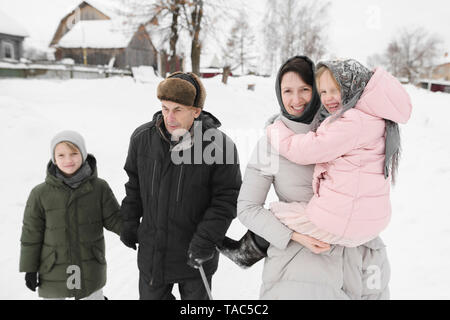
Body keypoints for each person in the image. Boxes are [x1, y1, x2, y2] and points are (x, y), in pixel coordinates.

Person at [221, 56, 392, 299]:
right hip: (299, 263)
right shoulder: (272, 144)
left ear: (317, 91)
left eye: (305, 89)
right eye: (287, 91)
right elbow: (248, 208)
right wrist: (293, 235)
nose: (296, 99)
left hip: (357, 259)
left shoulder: (346, 129)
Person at [120, 72, 242, 300]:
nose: (169, 117)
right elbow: (134, 184)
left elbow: (227, 199)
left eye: (177, 109)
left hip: (196, 255)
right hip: (153, 255)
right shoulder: (142, 138)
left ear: (196, 111)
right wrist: (128, 220)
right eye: (165, 108)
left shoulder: (219, 146)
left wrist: (205, 241)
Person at [266, 59, 412, 247]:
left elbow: (305, 151)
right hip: (368, 222)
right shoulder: (375, 117)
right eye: (323, 92)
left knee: (276, 213)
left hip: (343, 223)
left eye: (335, 90)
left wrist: (275, 129)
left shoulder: (353, 122)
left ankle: (247, 251)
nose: (327, 98)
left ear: (352, 87)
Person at [19, 131, 122, 300]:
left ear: (83, 154)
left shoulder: (99, 188)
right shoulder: (40, 194)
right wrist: (30, 268)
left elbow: (114, 219)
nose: (68, 160)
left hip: (90, 266)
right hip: (53, 270)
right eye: (61, 155)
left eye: (74, 153)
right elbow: (31, 233)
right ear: (54, 158)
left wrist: (133, 232)